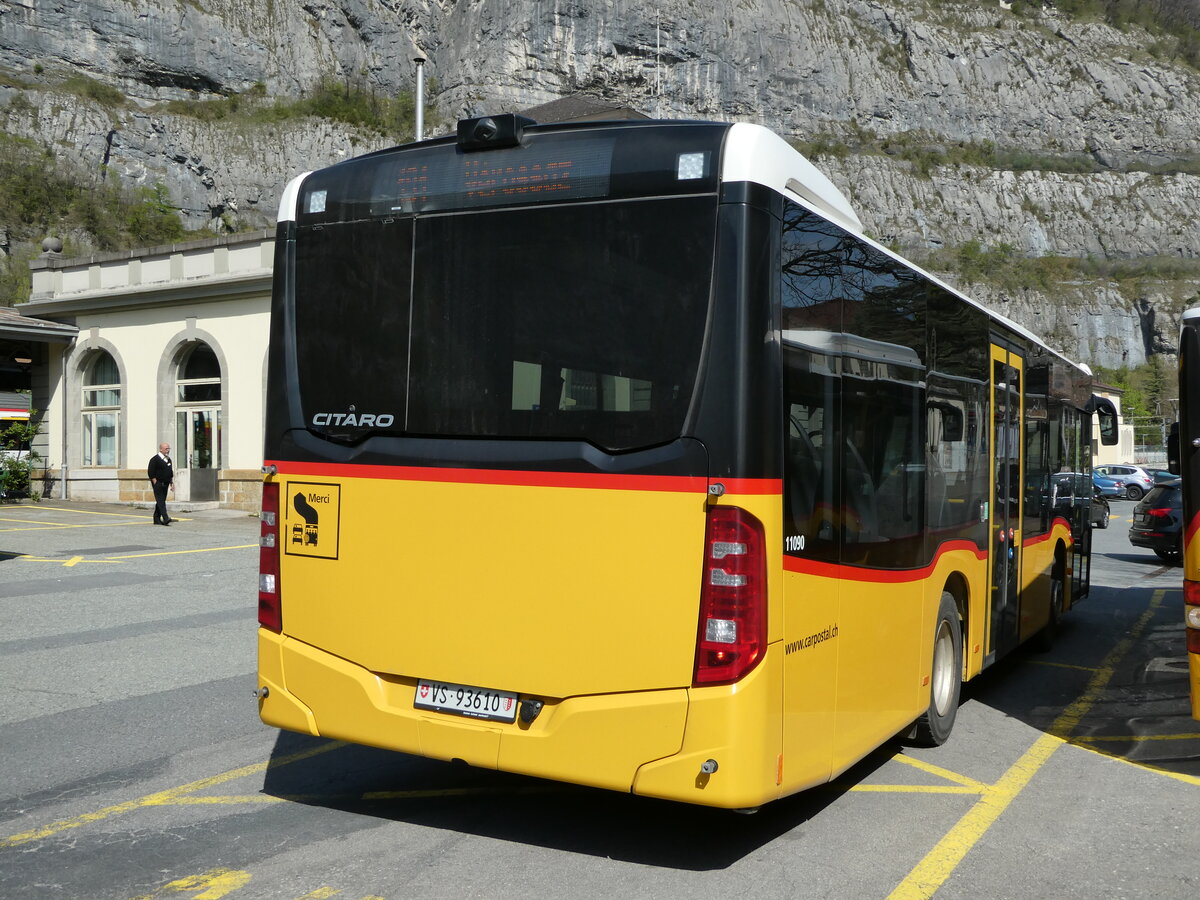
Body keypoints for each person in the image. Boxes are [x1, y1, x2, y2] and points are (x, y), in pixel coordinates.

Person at [148, 442, 174, 525]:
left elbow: (170, 472)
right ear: (161, 449)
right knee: (161, 501)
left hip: (166, 483)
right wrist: (155, 481)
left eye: (168, 448)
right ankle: (165, 518)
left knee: (161, 501)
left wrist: (171, 482)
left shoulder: (168, 459)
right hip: (158, 483)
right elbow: (151, 471)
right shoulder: (155, 459)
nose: (168, 450)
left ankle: (156, 518)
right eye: (166, 449)